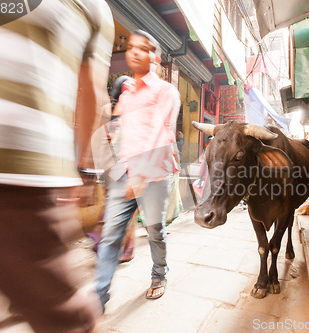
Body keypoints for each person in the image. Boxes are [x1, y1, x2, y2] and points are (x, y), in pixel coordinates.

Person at [0, 1, 114, 332]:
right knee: (69, 319)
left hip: (12, 176)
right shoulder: (92, 8)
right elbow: (92, 96)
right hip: (15, 176)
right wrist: (82, 172)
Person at [95, 29, 181, 309]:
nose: (133, 52)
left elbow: (161, 133)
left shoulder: (166, 91)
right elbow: (119, 134)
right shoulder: (126, 94)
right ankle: (99, 296)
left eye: (142, 48)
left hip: (153, 176)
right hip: (124, 175)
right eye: (130, 47)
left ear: (154, 56)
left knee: (155, 231)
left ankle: (159, 275)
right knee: (110, 236)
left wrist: (142, 176)